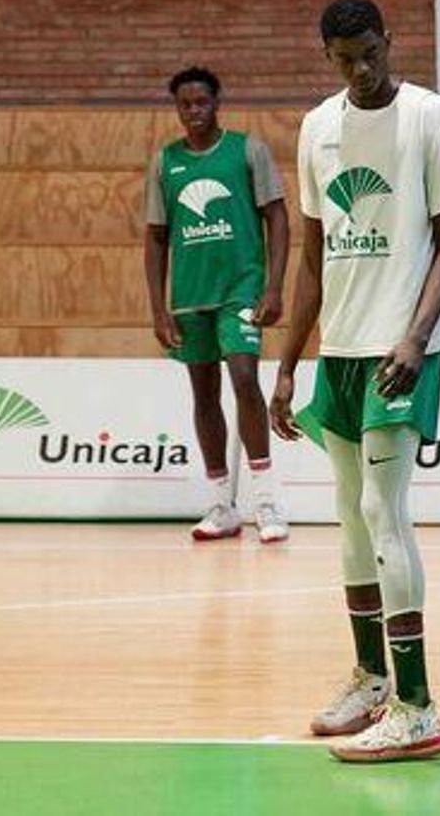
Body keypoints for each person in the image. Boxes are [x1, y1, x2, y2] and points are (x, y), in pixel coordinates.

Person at [267, 0, 440, 762]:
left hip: (403, 348)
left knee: (385, 510)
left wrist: (417, 335)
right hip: (341, 353)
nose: (361, 69)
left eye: (371, 54)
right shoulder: (318, 128)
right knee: (351, 516)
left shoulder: (430, 118)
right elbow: (312, 258)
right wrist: (288, 368)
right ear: (328, 58)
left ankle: (418, 706)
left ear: (390, 41)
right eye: (345, 59)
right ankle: (371, 678)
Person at [143, 66, 290, 544]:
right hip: (190, 298)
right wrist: (158, 309)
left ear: (217, 103)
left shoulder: (247, 151)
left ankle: (266, 501)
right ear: (177, 108)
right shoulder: (166, 162)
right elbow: (155, 238)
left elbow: (278, 218)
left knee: (245, 379)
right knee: (203, 395)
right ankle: (221, 504)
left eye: (201, 102)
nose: (194, 112)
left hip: (241, 290)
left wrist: (273, 287)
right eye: (185, 104)